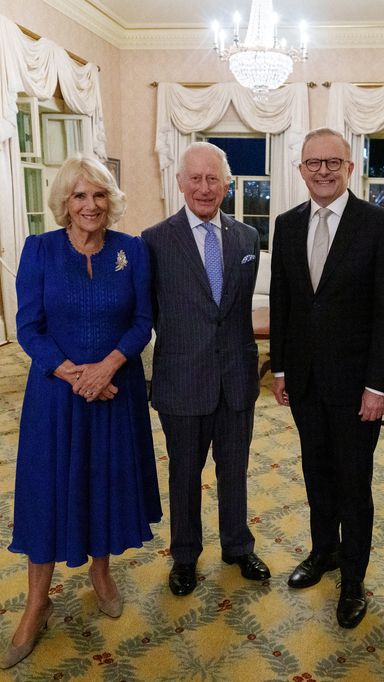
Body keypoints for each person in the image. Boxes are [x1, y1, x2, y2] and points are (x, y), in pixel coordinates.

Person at [2, 154, 161, 668]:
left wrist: (108, 367)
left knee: (105, 482)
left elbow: (142, 321)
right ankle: (35, 602)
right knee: (48, 490)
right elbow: (29, 328)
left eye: (98, 195)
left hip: (116, 393)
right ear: (64, 204)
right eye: (79, 196)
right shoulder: (40, 250)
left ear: (110, 200)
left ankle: (100, 572)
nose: (89, 205)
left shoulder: (131, 250)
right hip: (56, 396)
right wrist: (76, 373)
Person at [269, 127, 384, 629]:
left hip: (357, 390)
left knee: (354, 483)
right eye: (313, 163)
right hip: (304, 383)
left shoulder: (379, 224)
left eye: (333, 162)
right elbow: (283, 303)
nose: (323, 171)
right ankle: (323, 552)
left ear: (350, 168)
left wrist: (379, 385)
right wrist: (279, 368)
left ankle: (353, 579)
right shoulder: (285, 225)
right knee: (317, 475)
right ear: (300, 169)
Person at [142, 141, 269, 597]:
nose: (203, 187)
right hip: (181, 381)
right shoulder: (153, 241)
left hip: (236, 379)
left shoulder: (247, 238)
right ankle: (184, 556)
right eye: (194, 178)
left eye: (212, 178)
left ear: (227, 183)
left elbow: (233, 312)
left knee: (234, 469)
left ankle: (237, 546)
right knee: (185, 473)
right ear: (179, 183)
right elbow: (146, 313)